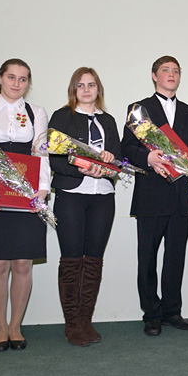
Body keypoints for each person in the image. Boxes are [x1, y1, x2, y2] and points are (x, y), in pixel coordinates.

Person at [0, 59, 50, 351]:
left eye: (23, 79)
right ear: (1, 78)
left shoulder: (36, 112)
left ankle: (16, 327)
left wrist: (42, 192)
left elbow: (41, 153)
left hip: (27, 194)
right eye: (11, 77)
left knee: (23, 263)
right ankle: (0, 328)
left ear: (28, 83)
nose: (17, 83)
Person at [121, 56, 188, 336]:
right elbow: (126, 149)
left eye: (176, 70)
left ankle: (172, 311)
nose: (171, 74)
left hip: (180, 196)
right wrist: (148, 158)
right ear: (154, 75)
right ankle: (151, 314)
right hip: (150, 196)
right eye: (165, 70)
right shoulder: (138, 110)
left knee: (176, 258)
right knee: (148, 259)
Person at [49, 68, 121, 346]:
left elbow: (119, 161)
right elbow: (54, 159)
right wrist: (80, 168)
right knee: (71, 260)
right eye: (81, 85)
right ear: (73, 89)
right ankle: (72, 324)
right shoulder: (62, 117)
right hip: (71, 195)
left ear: (98, 89)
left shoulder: (108, 120)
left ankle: (86, 320)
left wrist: (110, 162)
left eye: (92, 85)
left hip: (103, 196)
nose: (87, 90)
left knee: (93, 261)